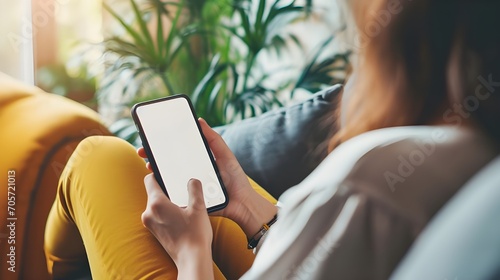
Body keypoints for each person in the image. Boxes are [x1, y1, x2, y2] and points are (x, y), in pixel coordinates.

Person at [44, 0, 500, 279]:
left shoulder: (372, 184)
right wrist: (248, 207)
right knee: (147, 177)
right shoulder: (474, 157)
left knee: (97, 156)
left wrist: (191, 252)